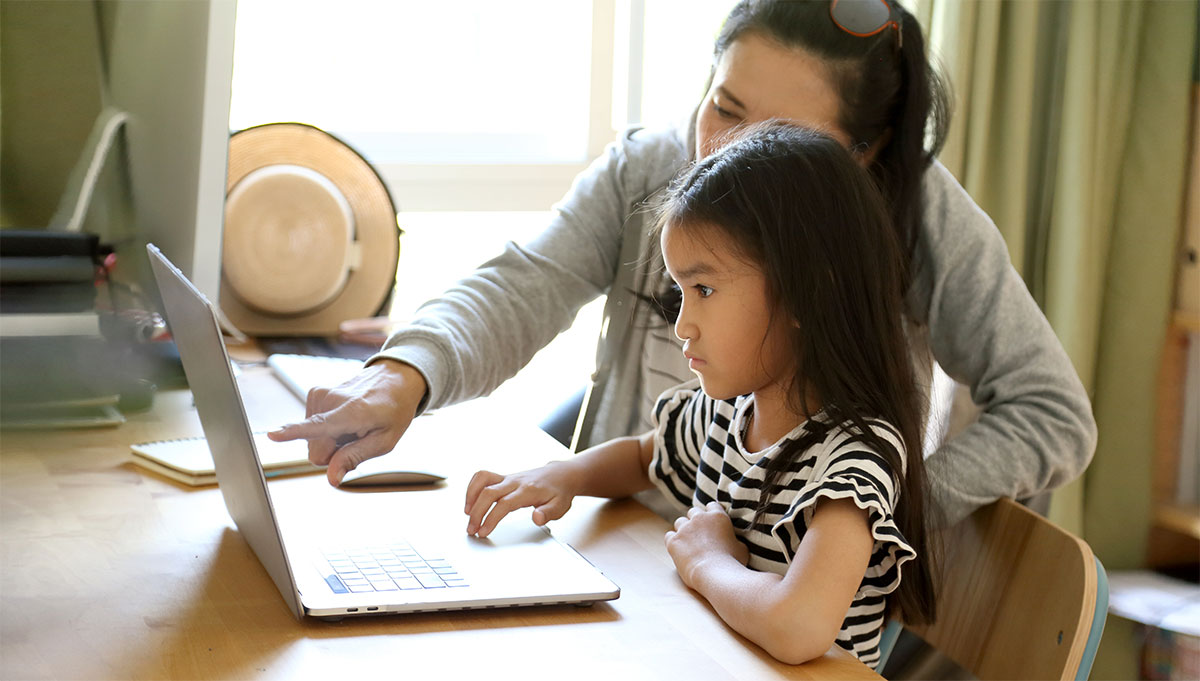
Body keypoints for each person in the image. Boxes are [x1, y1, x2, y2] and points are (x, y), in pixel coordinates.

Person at [269, 0, 1096, 529]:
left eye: (779, 141)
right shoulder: (648, 168)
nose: (728, 158)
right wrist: (404, 375)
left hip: (785, 598)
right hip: (629, 548)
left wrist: (887, 512)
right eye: (723, 109)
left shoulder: (921, 217)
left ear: (864, 151)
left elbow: (1052, 412)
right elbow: (529, 282)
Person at [464, 123, 935, 667]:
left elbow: (799, 626)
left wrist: (709, 562)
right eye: (681, 293)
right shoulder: (727, 412)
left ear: (810, 290)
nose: (682, 325)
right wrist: (563, 475)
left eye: (705, 290)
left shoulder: (853, 459)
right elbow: (648, 456)